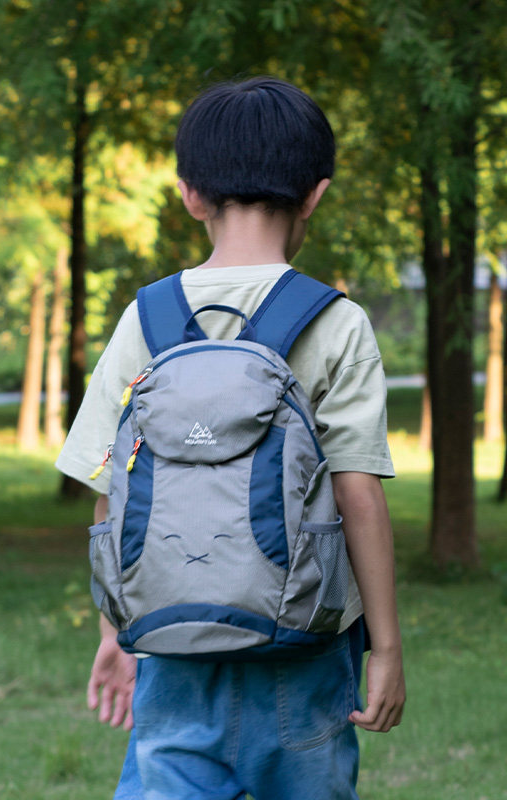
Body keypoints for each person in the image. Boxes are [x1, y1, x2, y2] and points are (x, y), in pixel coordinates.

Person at [55, 76, 405, 800]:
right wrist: (387, 648)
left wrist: (112, 636)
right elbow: (358, 492)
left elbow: (109, 490)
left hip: (173, 649)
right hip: (302, 652)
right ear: (316, 194)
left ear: (189, 194)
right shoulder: (335, 323)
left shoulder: (146, 318)